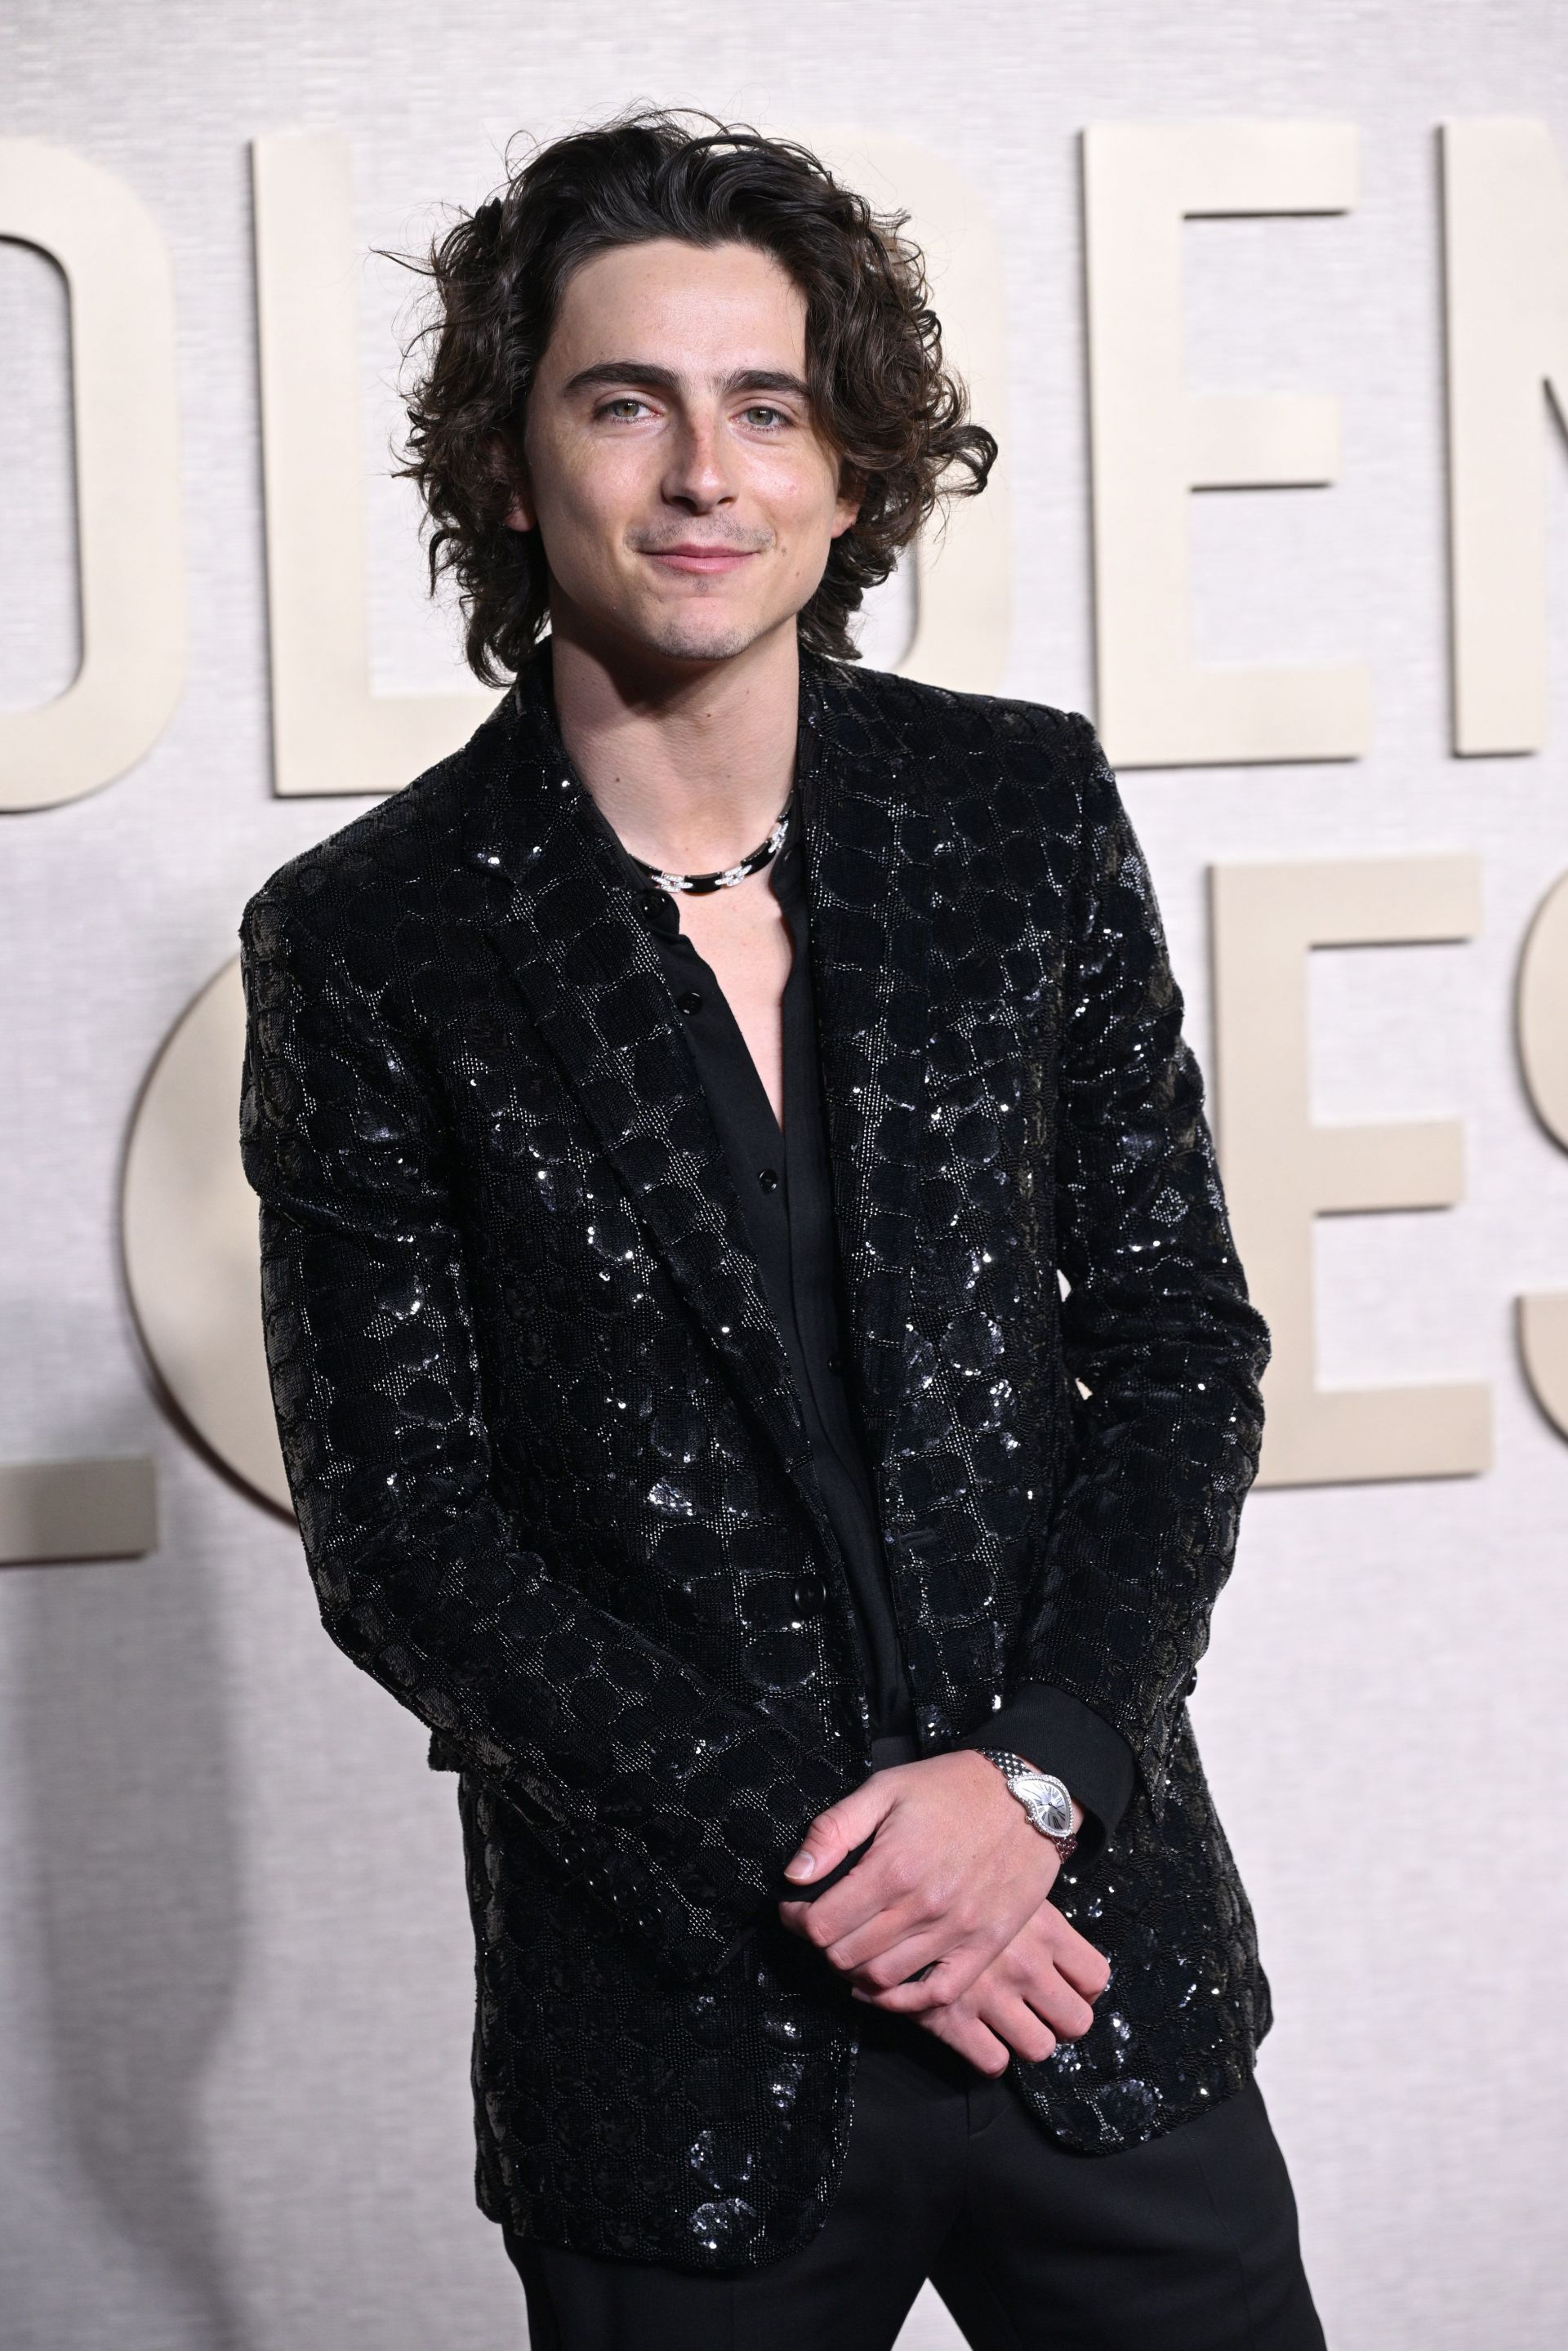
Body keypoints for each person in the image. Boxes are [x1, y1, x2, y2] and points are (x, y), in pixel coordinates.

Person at [238, 109, 1325, 2351]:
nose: (702, 474)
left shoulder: (1018, 820)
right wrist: (856, 1875)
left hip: (1095, 1982)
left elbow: (1175, 1339)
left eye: (771, 406)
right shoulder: (371, 943)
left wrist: (1037, 1781)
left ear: (853, 471)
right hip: (682, 2054)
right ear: (514, 461)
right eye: (624, 401)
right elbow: (410, 1540)